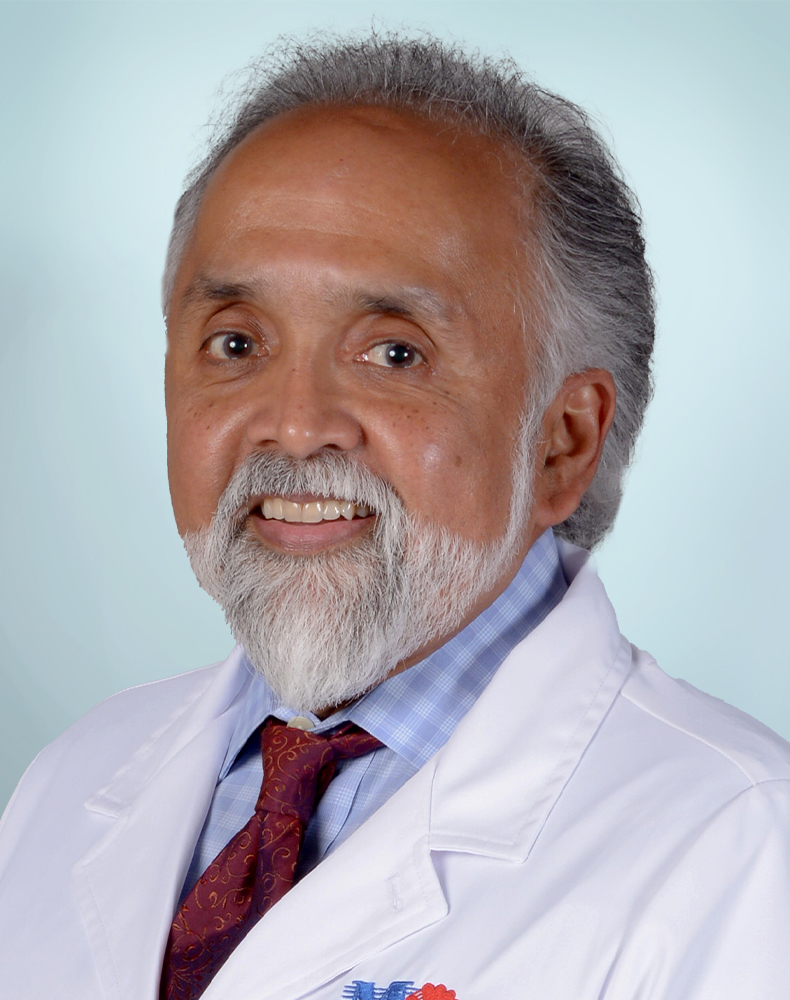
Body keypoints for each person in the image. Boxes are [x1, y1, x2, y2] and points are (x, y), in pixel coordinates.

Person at [1, 31, 788, 1000]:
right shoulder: (70, 781)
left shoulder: (741, 849)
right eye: (237, 342)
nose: (295, 426)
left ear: (564, 441)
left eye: (394, 353)